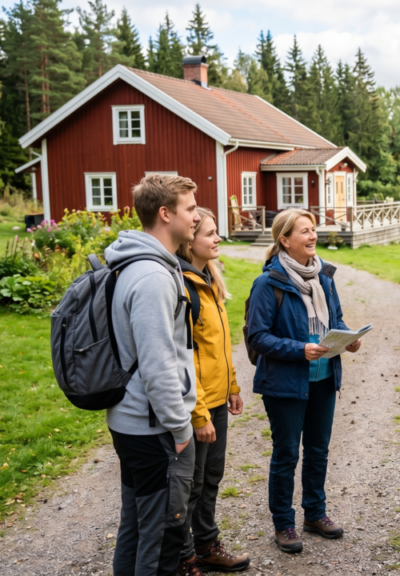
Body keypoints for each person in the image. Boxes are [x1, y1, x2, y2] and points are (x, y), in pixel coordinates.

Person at [246, 209, 362, 554]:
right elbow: (257, 337)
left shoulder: (324, 276)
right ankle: (284, 523)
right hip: (285, 383)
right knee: (286, 454)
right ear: (284, 240)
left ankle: (315, 513)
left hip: (324, 378)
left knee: (318, 451)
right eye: (305, 231)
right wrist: (300, 349)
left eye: (313, 230)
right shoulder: (268, 283)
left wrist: (348, 338)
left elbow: (335, 319)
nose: (313, 236)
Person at [104, 174, 202, 575]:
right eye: (190, 209)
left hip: (136, 423)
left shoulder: (139, 264)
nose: (196, 217)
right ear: (165, 214)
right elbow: (157, 363)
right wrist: (180, 428)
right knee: (162, 538)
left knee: (136, 526)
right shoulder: (153, 277)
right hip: (155, 429)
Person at [175, 208, 250, 573]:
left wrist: (233, 386)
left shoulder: (210, 281)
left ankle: (206, 545)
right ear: (190, 242)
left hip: (218, 400)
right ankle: (183, 556)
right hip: (197, 406)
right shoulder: (184, 287)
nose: (218, 238)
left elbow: (219, 346)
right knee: (191, 485)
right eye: (210, 233)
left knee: (211, 479)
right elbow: (186, 356)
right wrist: (199, 413)